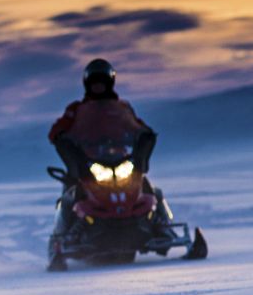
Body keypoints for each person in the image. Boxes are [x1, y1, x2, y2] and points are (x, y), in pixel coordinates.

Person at [47, 58, 167, 252]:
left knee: (147, 187)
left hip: (120, 159)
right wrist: (61, 136)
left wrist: (144, 134)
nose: (98, 88)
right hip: (89, 161)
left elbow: (136, 125)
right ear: (87, 84)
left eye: (101, 83)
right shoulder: (76, 110)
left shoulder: (121, 110)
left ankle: (164, 228)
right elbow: (57, 130)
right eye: (94, 84)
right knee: (72, 193)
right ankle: (63, 237)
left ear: (109, 83)